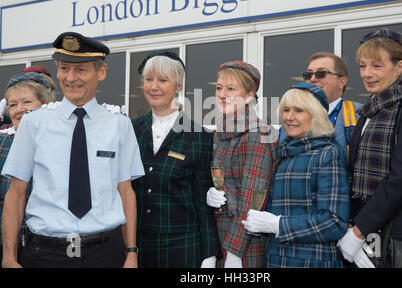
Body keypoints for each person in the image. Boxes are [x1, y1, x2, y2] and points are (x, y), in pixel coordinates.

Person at [1, 31, 144, 268]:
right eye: (64, 68)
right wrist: (8, 256)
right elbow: (15, 193)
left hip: (105, 253)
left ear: (101, 72)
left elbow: (125, 191)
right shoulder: (34, 123)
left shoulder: (119, 124)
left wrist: (131, 253)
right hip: (45, 254)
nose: (71, 77)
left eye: (81, 69)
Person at [338, 28, 402, 268]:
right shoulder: (369, 111)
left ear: (400, 66)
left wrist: (358, 232)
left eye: (377, 66)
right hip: (369, 231)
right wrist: (352, 225)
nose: (367, 74)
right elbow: (354, 173)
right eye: (363, 66)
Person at [243, 82, 350, 268]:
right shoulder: (284, 151)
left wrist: (278, 225)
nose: (289, 117)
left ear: (316, 115)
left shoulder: (328, 153)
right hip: (275, 259)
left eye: (299, 110)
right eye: (285, 110)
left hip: (313, 262)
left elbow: (334, 222)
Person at [131, 50, 221, 268]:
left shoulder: (199, 136)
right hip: (137, 246)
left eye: (163, 80)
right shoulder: (130, 130)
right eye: (148, 79)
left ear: (178, 86)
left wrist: (209, 255)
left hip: (182, 247)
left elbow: (203, 202)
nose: (154, 86)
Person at [206, 61, 278, 268]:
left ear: (249, 95)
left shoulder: (258, 133)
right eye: (219, 88)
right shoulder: (220, 132)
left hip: (245, 243)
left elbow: (254, 197)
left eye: (231, 89)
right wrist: (210, 192)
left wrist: (235, 252)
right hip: (221, 236)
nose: (222, 94)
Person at [0, 71, 56, 260]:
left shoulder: (60, 143)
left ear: (46, 105)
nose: (19, 109)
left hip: (45, 245)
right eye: (13, 105)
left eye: (27, 102)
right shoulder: (2, 142)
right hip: (5, 243)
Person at [279, 52, 362, 157]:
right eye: (308, 75)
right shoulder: (290, 118)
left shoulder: (359, 114)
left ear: (342, 81)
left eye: (321, 74)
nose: (313, 79)